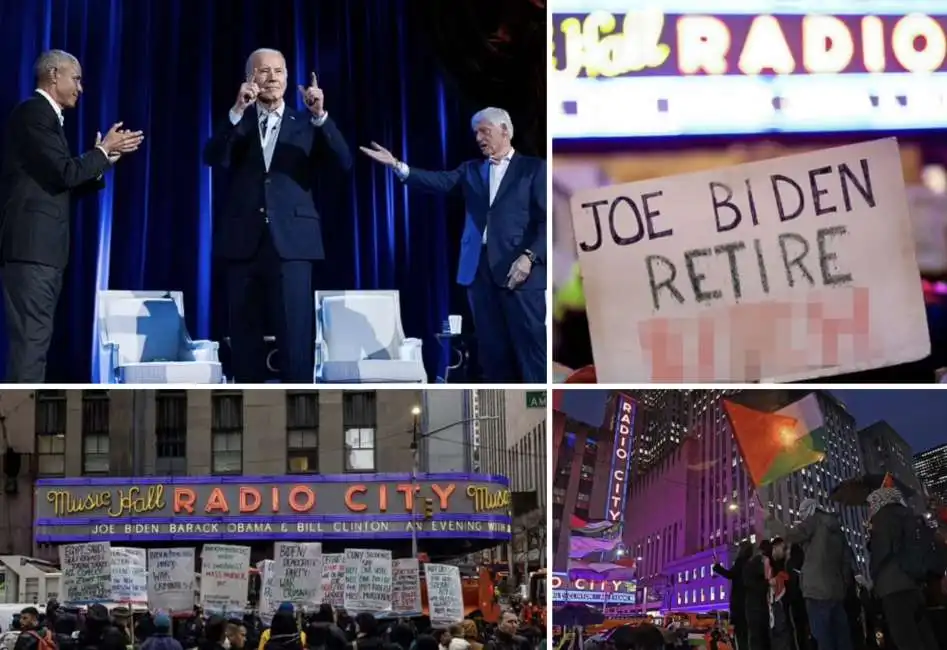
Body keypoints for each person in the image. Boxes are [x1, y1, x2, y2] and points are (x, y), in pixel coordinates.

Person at [360, 107, 547, 383]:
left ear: (505, 131)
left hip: (519, 268)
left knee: (530, 345)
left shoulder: (534, 168)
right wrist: (398, 166)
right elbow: (438, 181)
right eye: (476, 133)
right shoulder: (471, 170)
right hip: (479, 270)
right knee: (491, 351)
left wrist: (530, 257)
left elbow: (547, 222)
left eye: (485, 131)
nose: (479, 138)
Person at [203, 47, 353, 383]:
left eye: (279, 71)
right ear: (250, 78)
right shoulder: (237, 121)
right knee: (244, 340)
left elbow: (343, 162)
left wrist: (321, 116)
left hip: (293, 245)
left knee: (295, 340)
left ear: (287, 77)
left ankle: (299, 404)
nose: (272, 78)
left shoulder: (308, 123)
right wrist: (237, 110)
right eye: (264, 71)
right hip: (244, 243)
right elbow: (211, 156)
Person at [0, 48, 143, 383]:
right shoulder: (33, 113)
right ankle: (18, 429)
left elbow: (61, 181)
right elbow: (64, 174)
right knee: (31, 346)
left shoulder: (47, 119)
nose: (81, 87)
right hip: (30, 250)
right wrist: (102, 151)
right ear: (53, 75)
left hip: (42, 253)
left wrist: (102, 161)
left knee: (35, 343)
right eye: (76, 78)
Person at [767, 498, 854, 650]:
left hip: (817, 591)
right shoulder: (835, 527)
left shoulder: (814, 521)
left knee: (823, 638)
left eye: (802, 513)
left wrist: (769, 519)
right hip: (836, 592)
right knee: (842, 638)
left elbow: (790, 534)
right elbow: (847, 559)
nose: (801, 517)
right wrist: (844, 584)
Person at [866, 485, 939, 650]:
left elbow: (881, 553)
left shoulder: (883, 518)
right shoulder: (908, 515)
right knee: (924, 635)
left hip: (893, 587)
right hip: (913, 583)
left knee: (905, 639)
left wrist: (875, 579)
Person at [713, 541, 754, 650]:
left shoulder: (740, 562)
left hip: (739, 604)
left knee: (740, 633)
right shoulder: (751, 563)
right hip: (749, 603)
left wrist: (717, 566)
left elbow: (730, 574)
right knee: (747, 632)